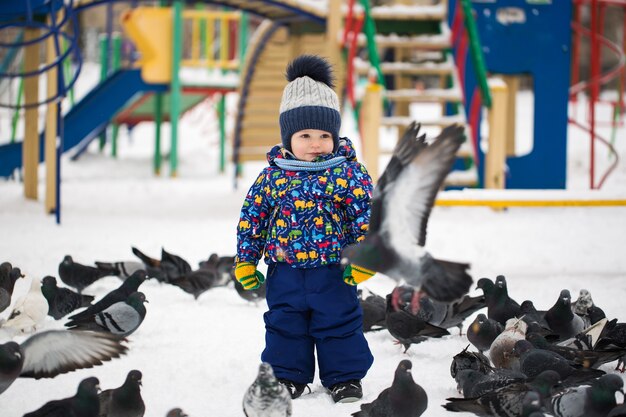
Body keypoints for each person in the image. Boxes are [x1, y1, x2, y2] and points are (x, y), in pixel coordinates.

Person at [234, 55, 375, 403]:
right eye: (306, 135)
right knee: (285, 325)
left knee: (339, 324)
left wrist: (366, 257)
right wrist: (246, 260)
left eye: (325, 134)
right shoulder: (272, 177)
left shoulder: (348, 173)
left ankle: (344, 378)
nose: (316, 143)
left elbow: (366, 218)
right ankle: (287, 376)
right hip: (284, 270)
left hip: (334, 271)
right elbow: (252, 220)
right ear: (288, 137)